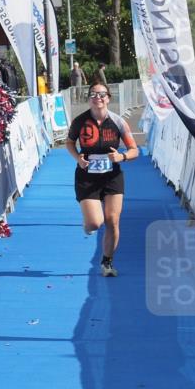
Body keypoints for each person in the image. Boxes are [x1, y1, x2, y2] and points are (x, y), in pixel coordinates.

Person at [65, 83, 139, 278]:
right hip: (87, 177)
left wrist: (122, 157)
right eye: (93, 94)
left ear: (108, 98)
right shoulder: (79, 121)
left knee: (113, 220)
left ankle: (107, 262)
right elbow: (69, 143)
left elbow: (135, 150)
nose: (97, 97)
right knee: (95, 224)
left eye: (102, 94)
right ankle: (87, 223)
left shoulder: (118, 122)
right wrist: (78, 158)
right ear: (89, 99)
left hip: (112, 176)